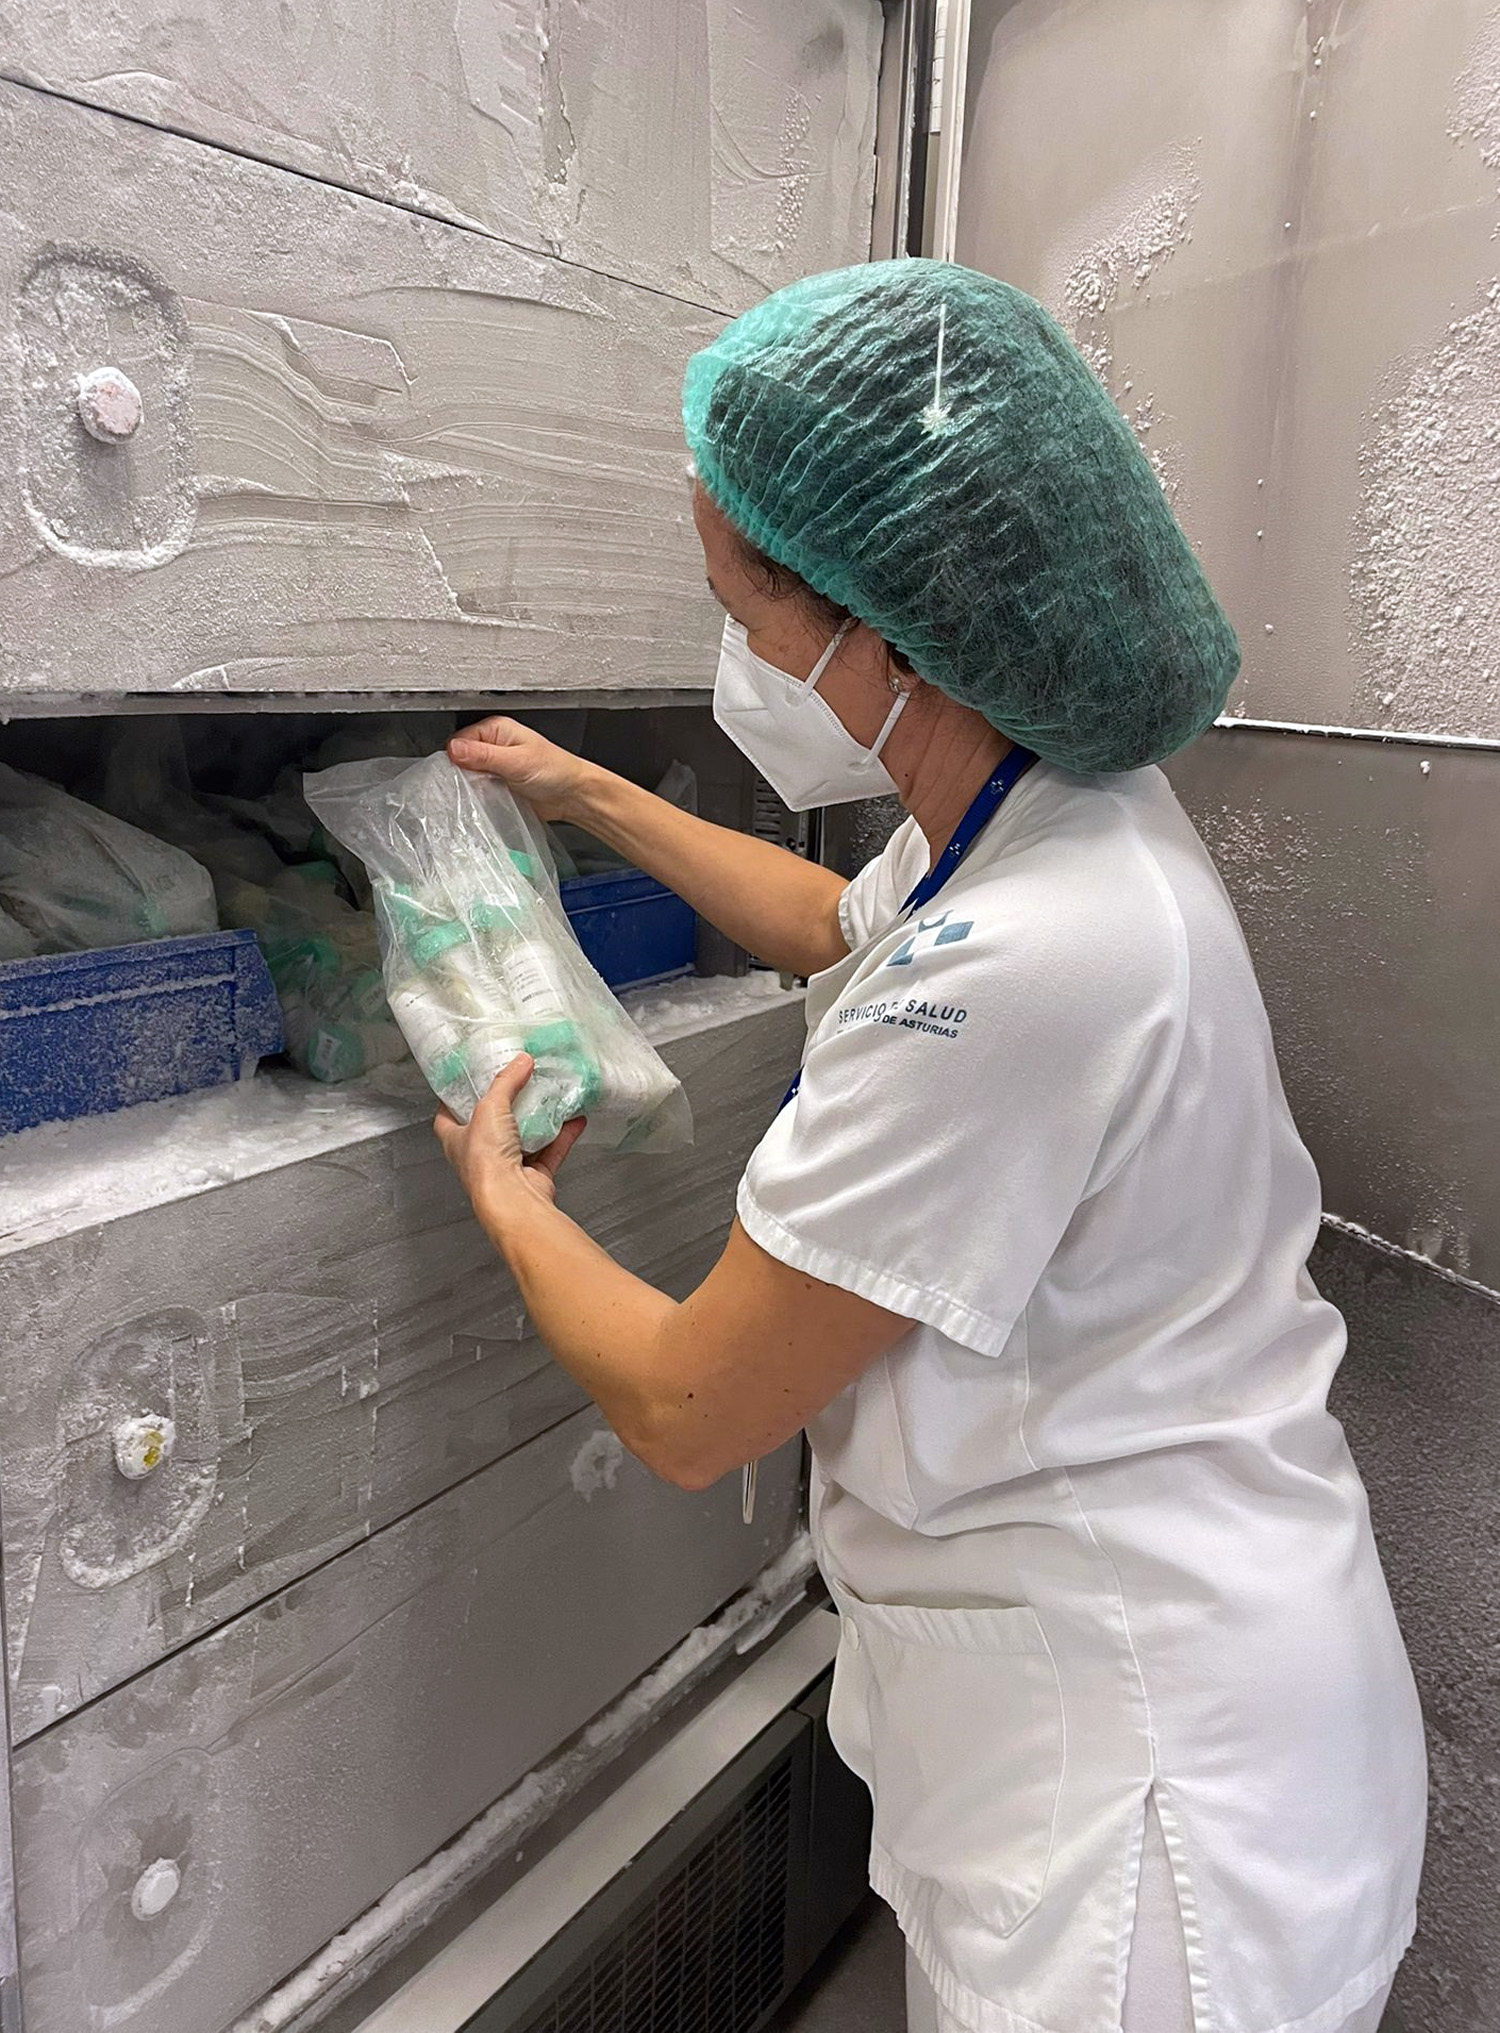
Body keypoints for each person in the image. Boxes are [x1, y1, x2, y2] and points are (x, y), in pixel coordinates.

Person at [437, 261, 1426, 2033]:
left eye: (745, 613)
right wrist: (583, 790)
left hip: (1152, 1828)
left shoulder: (1028, 965)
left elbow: (692, 1403)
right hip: (1155, 1698)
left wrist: (508, 1205)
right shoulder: (1046, 808)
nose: (739, 661)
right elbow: (838, 922)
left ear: (886, 632)